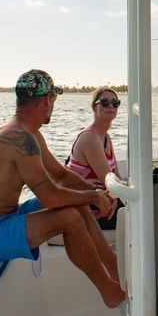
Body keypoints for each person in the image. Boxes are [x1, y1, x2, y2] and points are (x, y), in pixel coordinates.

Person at [0, 69, 125, 308]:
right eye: (54, 100)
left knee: (75, 203)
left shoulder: (30, 134)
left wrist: (96, 194)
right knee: (67, 215)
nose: (53, 106)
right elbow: (50, 195)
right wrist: (93, 196)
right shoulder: (19, 138)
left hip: (5, 218)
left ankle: (114, 267)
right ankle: (109, 291)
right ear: (46, 100)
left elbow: (61, 174)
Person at [67, 87, 124, 228]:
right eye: (105, 102)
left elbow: (117, 177)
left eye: (115, 103)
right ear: (94, 106)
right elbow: (109, 181)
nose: (111, 106)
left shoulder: (106, 138)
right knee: (144, 213)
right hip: (87, 207)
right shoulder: (89, 138)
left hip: (101, 199)